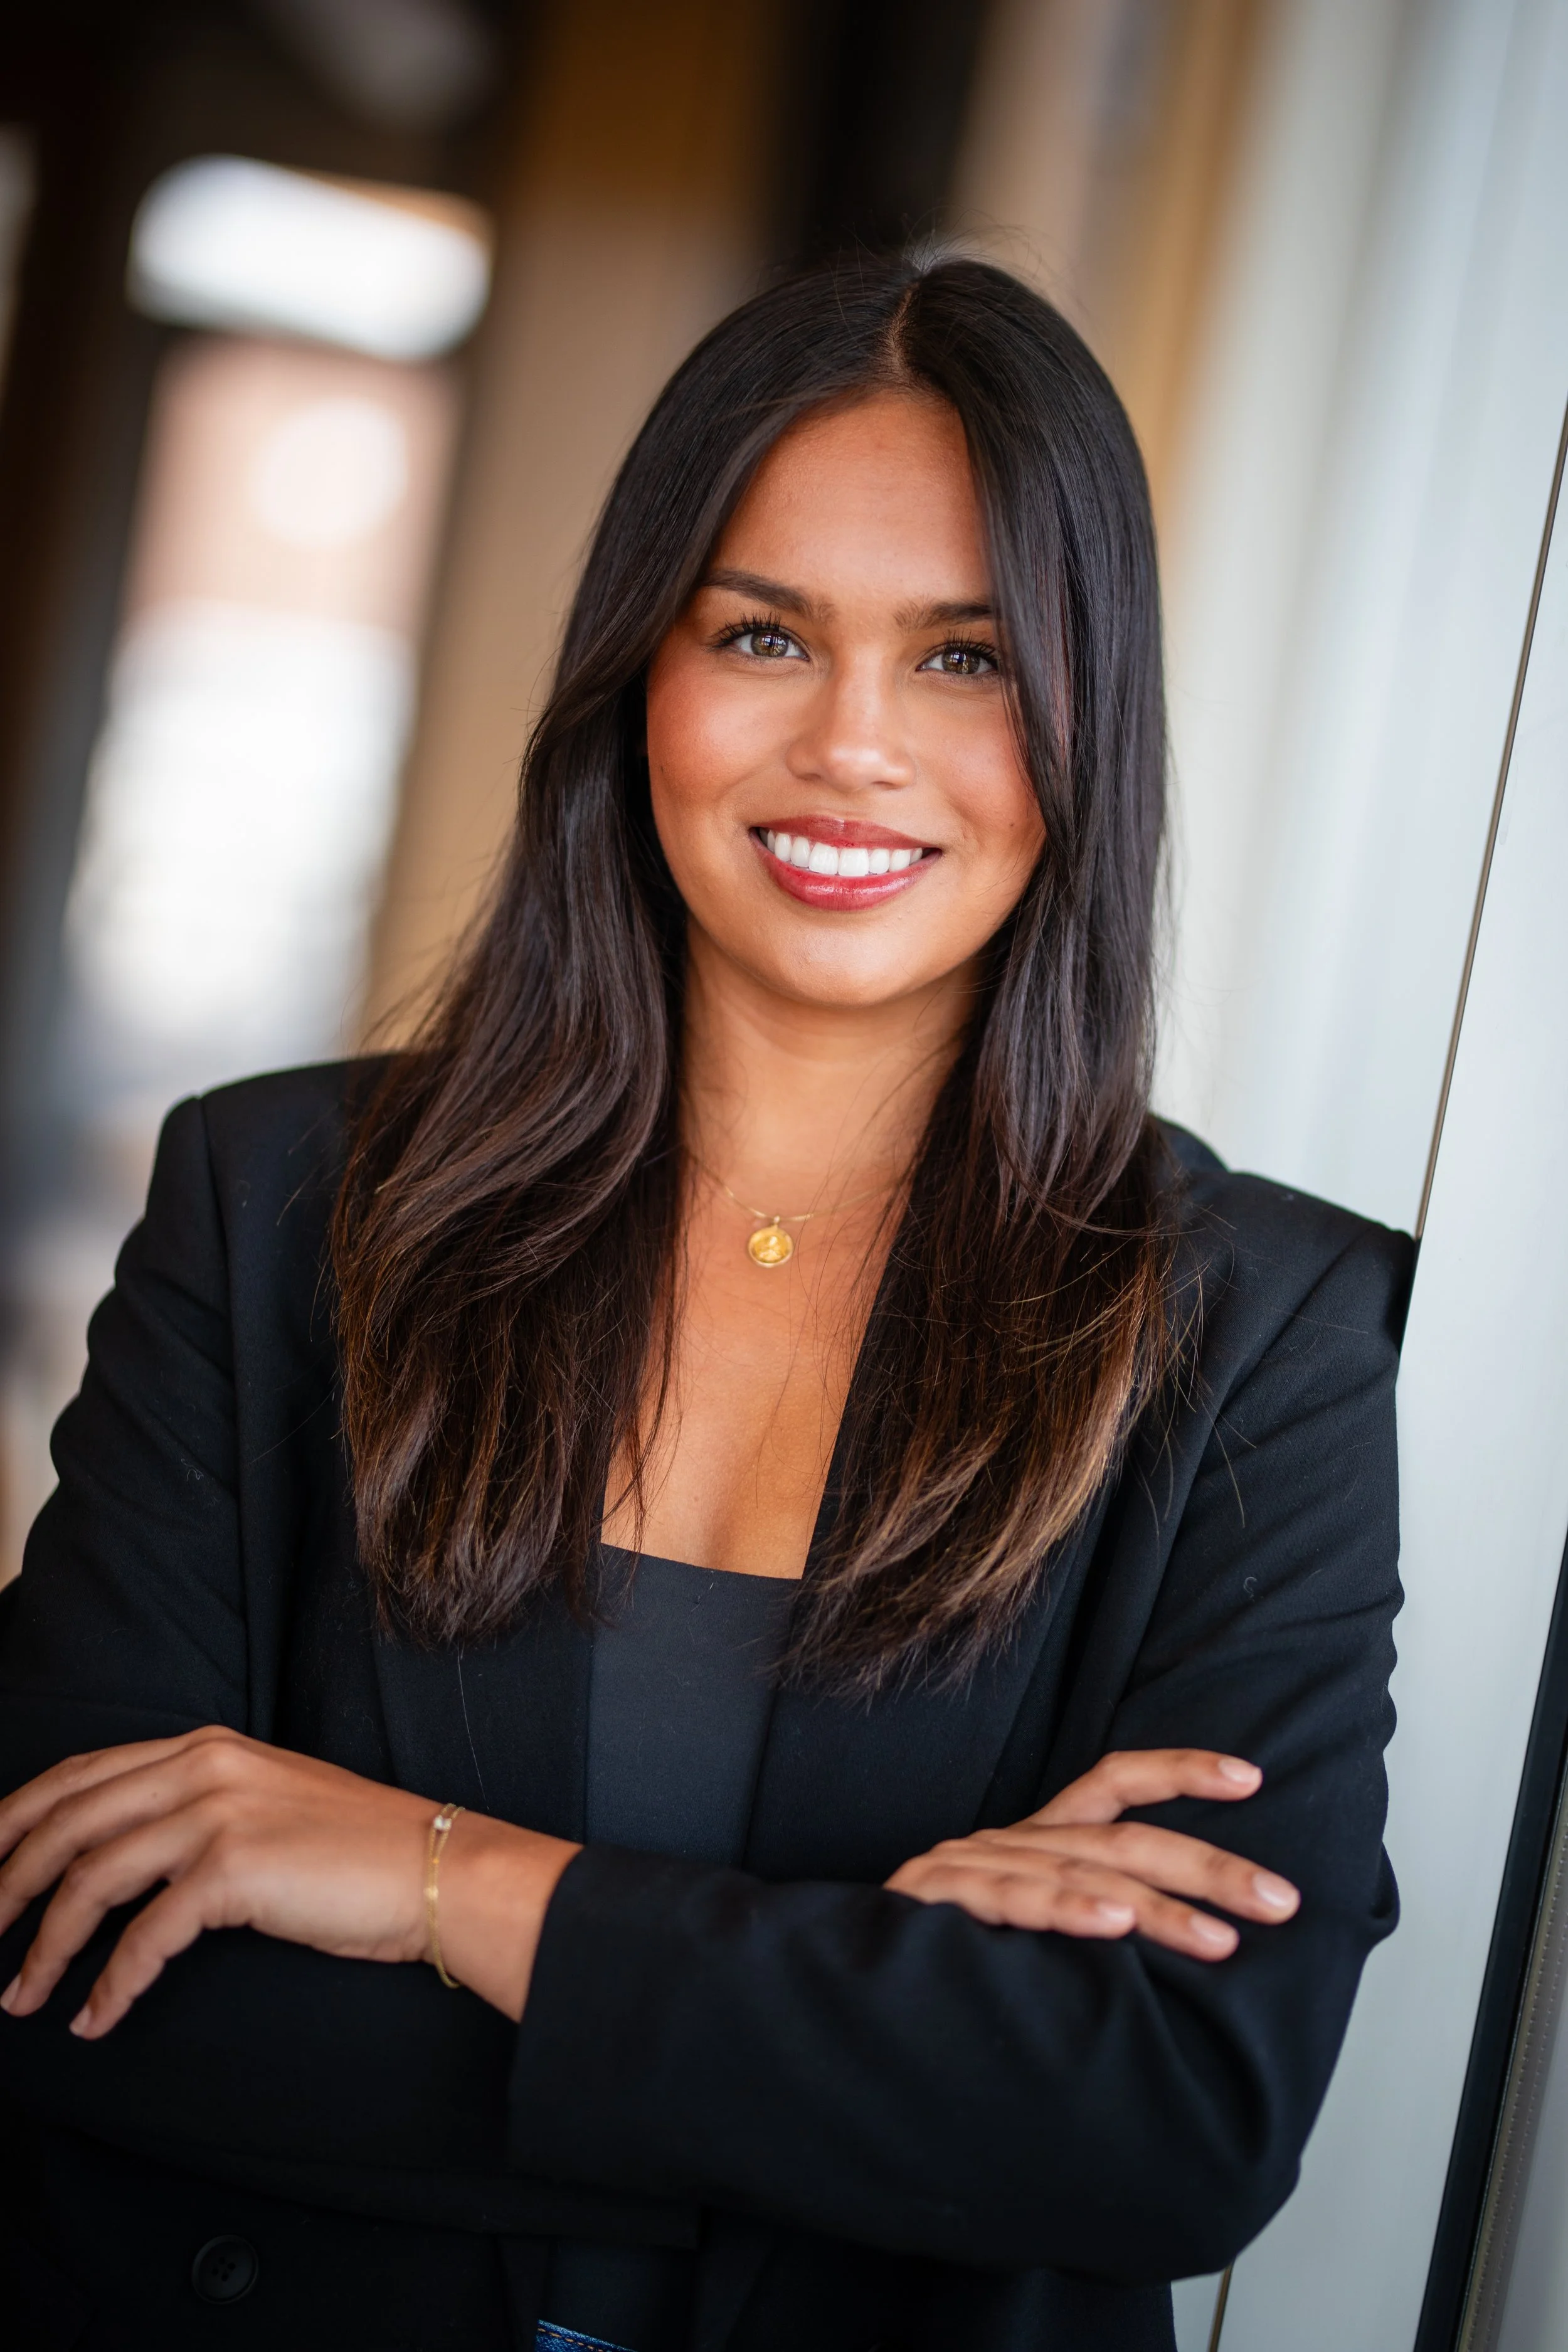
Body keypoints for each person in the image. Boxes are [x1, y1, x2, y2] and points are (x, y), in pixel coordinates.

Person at [0, 252, 1408, 2352]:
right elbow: (72, 1966)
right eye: (763, 633)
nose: (852, 745)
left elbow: (1161, 2117)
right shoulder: (278, 1200)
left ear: (1089, 717)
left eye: (966, 659)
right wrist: (860, 1996)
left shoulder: (1264, 1329)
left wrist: (429, 1876)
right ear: (636, 676)